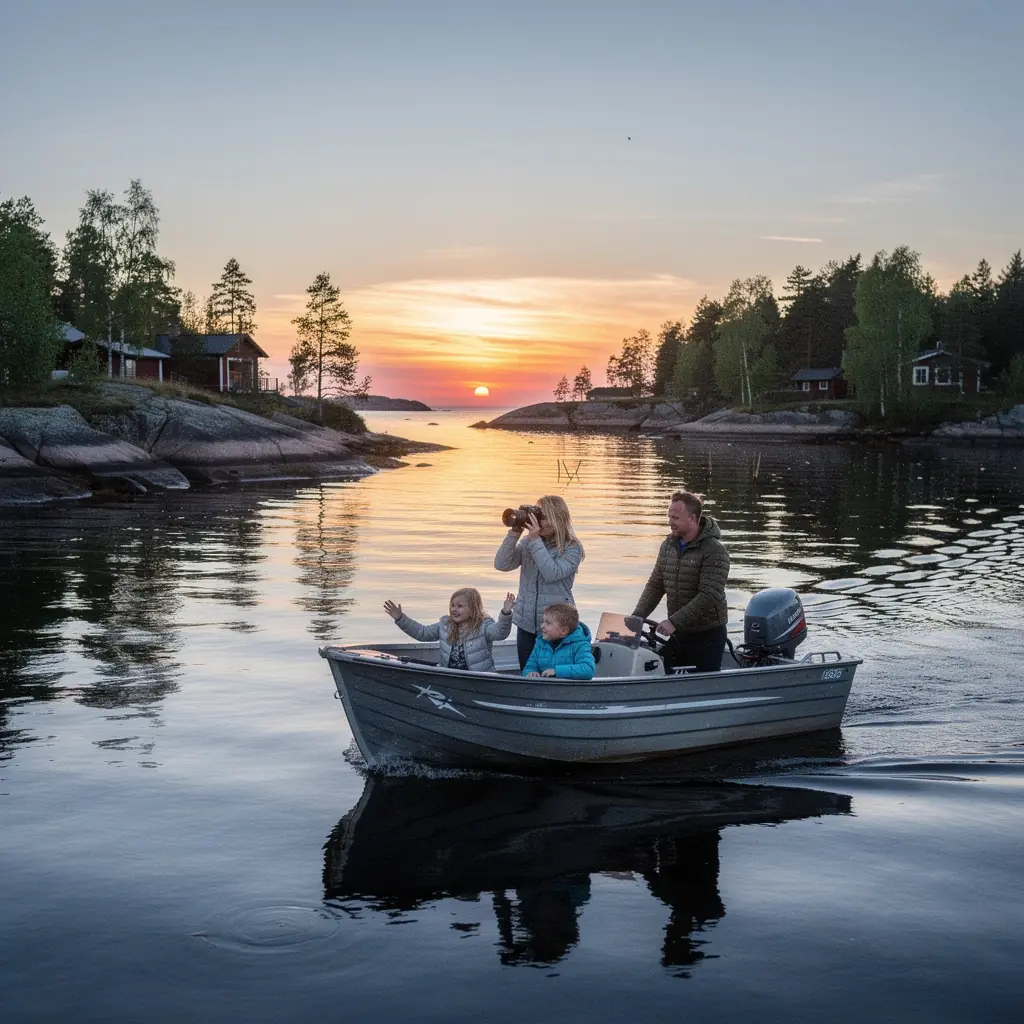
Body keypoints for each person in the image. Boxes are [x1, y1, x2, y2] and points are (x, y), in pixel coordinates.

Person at [632, 490, 730, 673]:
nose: (670, 522)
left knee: (701, 687)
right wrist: (637, 617)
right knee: (665, 676)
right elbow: (655, 585)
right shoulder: (668, 546)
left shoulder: (714, 550)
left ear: (692, 519)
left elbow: (709, 596)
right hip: (679, 633)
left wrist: (674, 622)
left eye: (675, 518)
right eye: (669, 517)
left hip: (707, 636)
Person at [494, 494, 585, 670]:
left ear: (556, 520)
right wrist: (515, 532)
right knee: (527, 671)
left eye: (541, 517)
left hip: (556, 625)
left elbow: (552, 573)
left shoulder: (572, 548)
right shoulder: (529, 541)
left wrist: (535, 541)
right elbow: (502, 564)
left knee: (553, 674)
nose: (536, 521)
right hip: (526, 623)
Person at [383, 588, 515, 672]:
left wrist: (506, 612)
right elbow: (422, 633)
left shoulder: (483, 626)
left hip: (479, 679)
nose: (454, 609)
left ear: (473, 609)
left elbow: (500, 633)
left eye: (460, 606)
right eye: (452, 605)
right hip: (450, 676)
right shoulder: (445, 625)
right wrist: (401, 618)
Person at [522, 603, 595, 680]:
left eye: (548, 623)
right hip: (544, 686)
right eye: (543, 622)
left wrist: (556, 671)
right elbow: (529, 667)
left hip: (568, 687)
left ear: (563, 631)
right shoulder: (540, 644)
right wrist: (531, 673)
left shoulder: (580, 645)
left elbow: (588, 669)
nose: (542, 626)